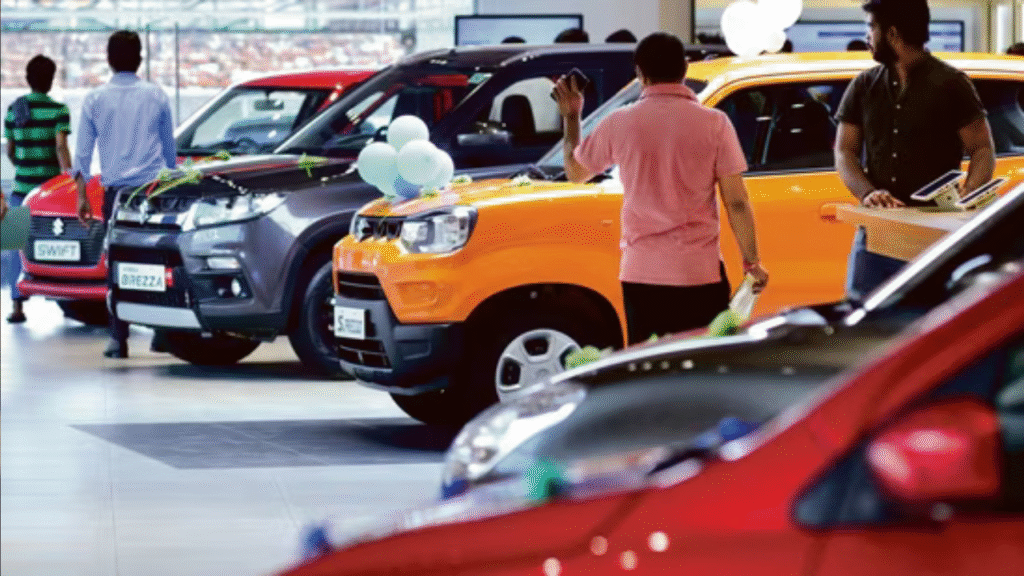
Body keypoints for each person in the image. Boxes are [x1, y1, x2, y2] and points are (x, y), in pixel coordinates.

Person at [553, 32, 769, 345]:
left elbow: (575, 172)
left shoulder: (620, 122)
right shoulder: (715, 123)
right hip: (700, 273)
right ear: (684, 67)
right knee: (701, 366)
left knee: (651, 367)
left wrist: (572, 116)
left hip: (642, 274)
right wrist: (751, 262)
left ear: (640, 74)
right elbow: (737, 202)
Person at [834, 0, 995, 299]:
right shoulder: (864, 85)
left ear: (892, 33)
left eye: (872, 27)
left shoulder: (951, 84)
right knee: (863, 320)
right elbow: (844, 152)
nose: (868, 36)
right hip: (877, 232)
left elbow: (982, 149)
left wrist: (966, 201)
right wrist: (867, 193)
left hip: (933, 233)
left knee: (927, 320)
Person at [73, 30, 177, 358]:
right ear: (139, 59)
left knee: (118, 263)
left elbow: (83, 156)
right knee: (160, 262)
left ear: (108, 59)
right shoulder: (157, 95)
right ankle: (163, 332)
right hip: (152, 192)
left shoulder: (94, 99)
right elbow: (169, 153)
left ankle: (118, 339)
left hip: (115, 196)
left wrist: (81, 197)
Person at [3, 55, 72, 324]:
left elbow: (10, 150)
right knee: (62, 245)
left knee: (13, 247)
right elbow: (60, 147)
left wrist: (23, 165)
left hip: (21, 189)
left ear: (27, 79)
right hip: (49, 194)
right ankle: (67, 300)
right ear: (51, 80)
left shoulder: (14, 109)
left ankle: (17, 308)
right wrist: (69, 178)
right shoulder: (59, 111)